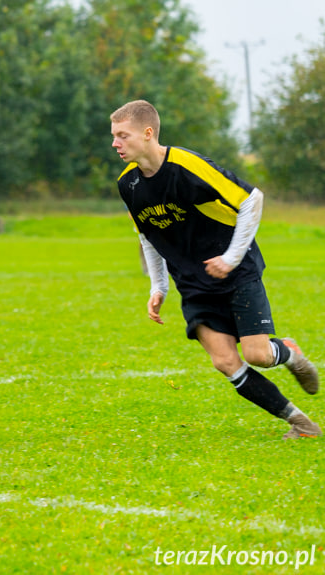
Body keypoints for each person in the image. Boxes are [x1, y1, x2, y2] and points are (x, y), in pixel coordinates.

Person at [110, 99, 320, 440]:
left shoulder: (187, 166)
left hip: (237, 273)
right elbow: (147, 235)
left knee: (258, 354)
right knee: (225, 362)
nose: (115, 143)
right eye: (114, 136)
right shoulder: (127, 184)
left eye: (122, 135)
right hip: (192, 283)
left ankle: (289, 352)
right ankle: (301, 423)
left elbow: (252, 200)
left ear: (148, 134)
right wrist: (158, 287)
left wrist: (232, 257)